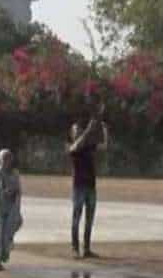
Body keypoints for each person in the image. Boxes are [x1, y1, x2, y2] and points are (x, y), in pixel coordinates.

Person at [67, 107, 109, 259]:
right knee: (77, 218)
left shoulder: (88, 145)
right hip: (79, 186)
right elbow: (78, 143)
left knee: (89, 219)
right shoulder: (73, 148)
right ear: (73, 134)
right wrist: (89, 130)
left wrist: (104, 131)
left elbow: (103, 146)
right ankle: (75, 247)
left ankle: (86, 248)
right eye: (76, 130)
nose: (78, 131)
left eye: (79, 129)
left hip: (91, 185)